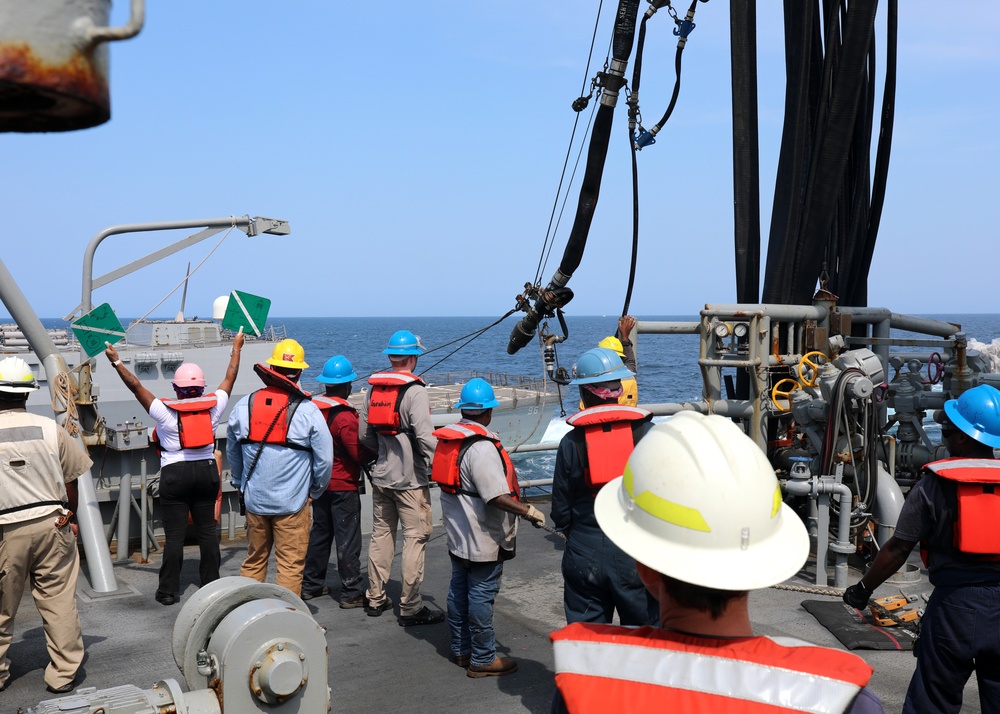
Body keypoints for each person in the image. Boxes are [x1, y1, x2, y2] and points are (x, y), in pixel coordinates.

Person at [552, 411, 884, 713]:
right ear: (761, 562)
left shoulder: (582, 685)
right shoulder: (841, 698)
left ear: (644, 566)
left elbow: (561, 508)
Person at [843, 383, 1000, 714]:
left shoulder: (934, 484)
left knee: (933, 699)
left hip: (955, 608)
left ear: (961, 437)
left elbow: (899, 549)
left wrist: (862, 589)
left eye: (948, 428)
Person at [104, 331, 244, 606]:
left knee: (175, 537)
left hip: (174, 476)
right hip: (206, 472)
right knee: (207, 534)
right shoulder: (214, 407)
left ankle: (168, 591)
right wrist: (236, 348)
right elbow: (230, 377)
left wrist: (116, 361)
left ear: (176, 389)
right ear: (202, 389)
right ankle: (211, 585)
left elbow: (136, 387)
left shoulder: (164, 412)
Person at [432, 378, 547, 677]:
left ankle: (461, 649)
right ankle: (483, 658)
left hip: (458, 535)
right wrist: (529, 511)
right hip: (483, 536)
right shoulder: (481, 448)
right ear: (488, 412)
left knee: (459, 591)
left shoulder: (450, 440)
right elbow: (496, 496)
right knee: (481, 595)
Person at [0, 357, 92, 694]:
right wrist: (70, 516)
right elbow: (72, 480)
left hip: (6, 529)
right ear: (27, 393)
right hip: (53, 524)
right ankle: (63, 675)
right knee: (58, 601)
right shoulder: (49, 429)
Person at [553, 347, 657, 625]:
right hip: (636, 549)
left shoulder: (570, 443)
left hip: (584, 547)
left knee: (587, 640)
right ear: (620, 388)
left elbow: (560, 510)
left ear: (585, 393)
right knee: (645, 638)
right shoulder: (648, 434)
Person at [227, 338, 332, 596]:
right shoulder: (308, 411)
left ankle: (246, 615)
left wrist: (241, 483)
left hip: (255, 502)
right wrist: (315, 491)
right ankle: (285, 621)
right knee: (290, 566)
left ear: (272, 368)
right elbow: (325, 459)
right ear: (299, 372)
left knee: (253, 562)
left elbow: (233, 451)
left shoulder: (244, 406)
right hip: (292, 505)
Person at [359, 329, 443, 626]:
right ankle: (411, 607)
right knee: (414, 539)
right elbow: (426, 438)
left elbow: (364, 436)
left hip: (381, 476)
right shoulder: (416, 391)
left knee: (381, 536)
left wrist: (384, 453)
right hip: (410, 480)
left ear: (391, 356)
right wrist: (442, 467)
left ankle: (375, 597)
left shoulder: (373, 390)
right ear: (413, 357)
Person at [302, 355, 373, 608]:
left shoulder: (312, 410)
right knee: (347, 538)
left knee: (320, 535)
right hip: (343, 485)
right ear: (347, 386)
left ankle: (311, 584)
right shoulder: (344, 417)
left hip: (319, 484)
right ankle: (351, 591)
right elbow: (358, 452)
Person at [595, 315, 639, 407]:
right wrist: (625, 337)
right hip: (629, 420)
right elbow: (630, 361)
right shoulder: (629, 377)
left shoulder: (596, 384)